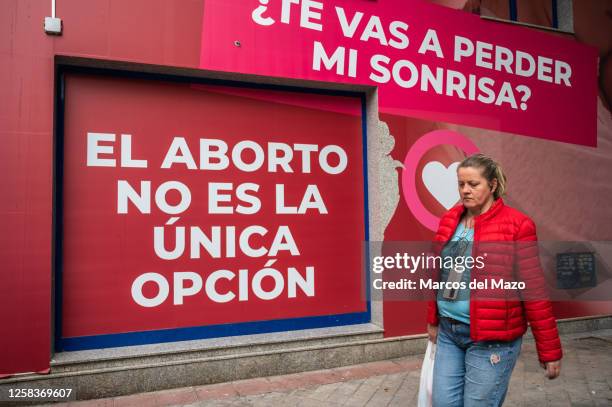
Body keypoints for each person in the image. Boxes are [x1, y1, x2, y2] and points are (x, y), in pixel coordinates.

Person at [426, 153, 562, 407]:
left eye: (473, 184)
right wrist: (433, 319)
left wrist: (550, 350)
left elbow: (533, 288)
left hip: (492, 340)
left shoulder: (518, 225)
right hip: (449, 332)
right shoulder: (450, 219)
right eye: (461, 184)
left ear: (492, 185)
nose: (465, 190)